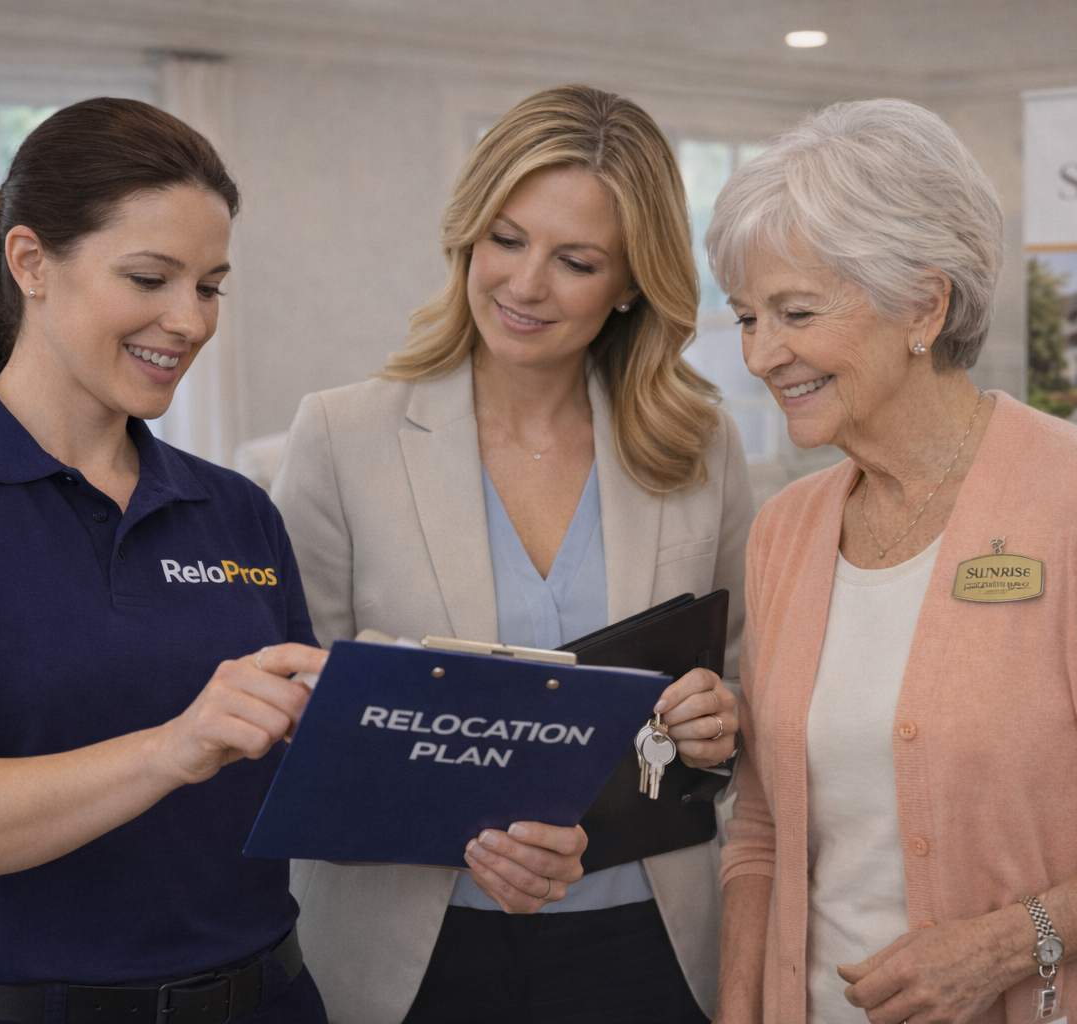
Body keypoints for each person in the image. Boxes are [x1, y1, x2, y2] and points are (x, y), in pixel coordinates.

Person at [0, 98, 547, 1024]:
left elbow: (313, 795)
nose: (188, 321)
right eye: (150, 277)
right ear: (30, 262)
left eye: (211, 286)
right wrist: (174, 748)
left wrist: (488, 821)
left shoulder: (235, 511)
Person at [706, 98, 1077, 1023]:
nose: (763, 355)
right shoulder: (787, 530)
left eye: (795, 312)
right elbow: (763, 830)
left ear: (925, 302)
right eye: (747, 317)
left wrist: (1011, 944)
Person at [271, 84, 752, 1023]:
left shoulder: (700, 446)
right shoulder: (342, 435)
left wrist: (720, 724)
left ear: (629, 285)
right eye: (505, 238)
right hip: (408, 954)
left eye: (576, 261)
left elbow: (745, 693)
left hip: (650, 943)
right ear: (466, 238)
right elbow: (297, 713)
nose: (525, 285)